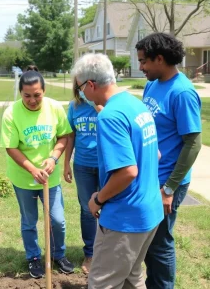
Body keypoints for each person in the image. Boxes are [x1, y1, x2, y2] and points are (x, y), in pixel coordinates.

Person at [71, 53, 164, 289]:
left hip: (125, 219)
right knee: (132, 279)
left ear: (90, 85)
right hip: (150, 212)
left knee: (102, 283)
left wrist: (98, 199)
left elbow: (127, 172)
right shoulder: (136, 105)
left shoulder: (110, 116)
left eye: (80, 87)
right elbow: (156, 154)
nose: (81, 93)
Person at [136, 32, 202, 289]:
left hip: (168, 182)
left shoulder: (182, 92)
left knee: (160, 243)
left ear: (160, 59)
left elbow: (193, 143)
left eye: (144, 61)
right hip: (151, 176)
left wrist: (169, 189)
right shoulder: (153, 83)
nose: (141, 67)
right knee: (149, 241)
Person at [0, 70, 74, 279]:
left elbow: (63, 137)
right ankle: (33, 257)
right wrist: (33, 169)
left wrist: (53, 158)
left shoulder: (54, 108)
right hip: (24, 178)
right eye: (27, 96)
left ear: (44, 91)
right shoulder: (12, 114)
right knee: (29, 220)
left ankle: (58, 255)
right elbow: (11, 148)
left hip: (50, 177)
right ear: (21, 93)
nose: (32, 100)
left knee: (57, 220)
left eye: (37, 95)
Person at [63, 80, 102, 274]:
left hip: (106, 166)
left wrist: (98, 106)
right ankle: (90, 253)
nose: (82, 91)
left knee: (108, 207)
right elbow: (71, 136)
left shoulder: (105, 104)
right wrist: (66, 164)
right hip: (83, 166)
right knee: (87, 210)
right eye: (79, 88)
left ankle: (106, 251)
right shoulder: (74, 107)